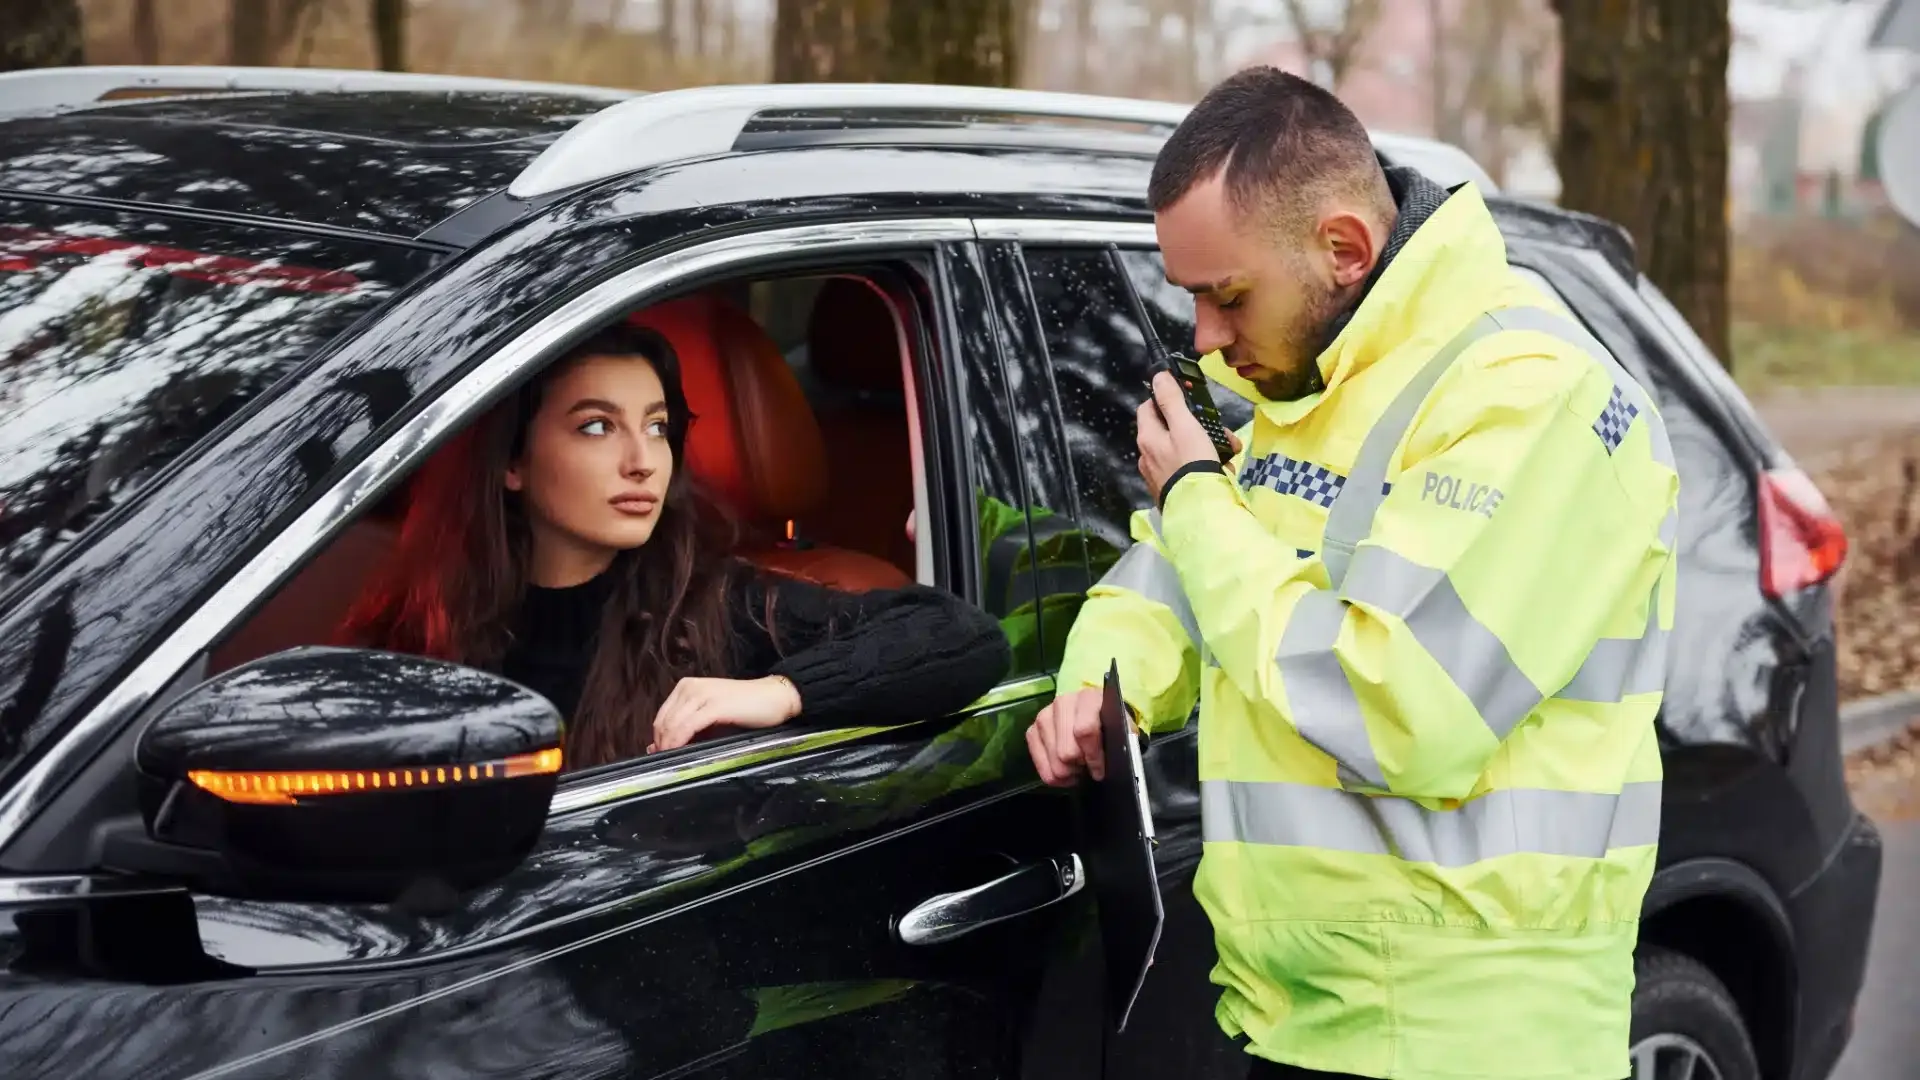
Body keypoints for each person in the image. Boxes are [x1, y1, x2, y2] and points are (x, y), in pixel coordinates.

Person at [1026, 68, 1679, 1080]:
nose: (1204, 337)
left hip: (1469, 1040)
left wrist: (1197, 497)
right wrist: (1102, 688)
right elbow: (1169, 579)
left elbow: (1401, 705)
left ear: (1344, 249)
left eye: (1224, 294)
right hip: (1305, 1020)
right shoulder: (1301, 380)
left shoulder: (1525, 396)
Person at [337, 321, 1010, 769]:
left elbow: (963, 637)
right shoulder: (424, 615)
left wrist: (781, 691)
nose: (643, 461)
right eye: (598, 427)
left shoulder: (715, 601)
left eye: (658, 427)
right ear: (511, 461)